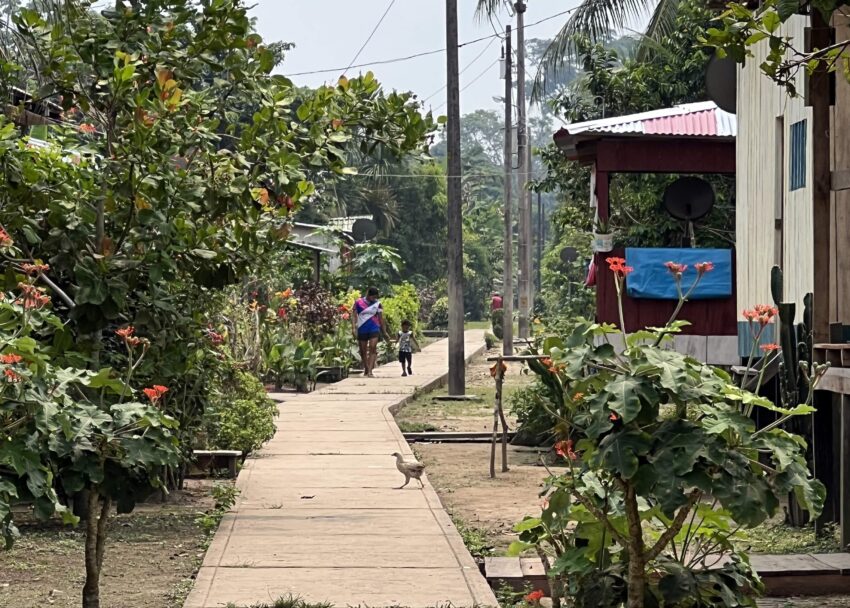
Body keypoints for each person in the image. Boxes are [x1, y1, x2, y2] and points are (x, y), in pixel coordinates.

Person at [352, 287, 390, 377]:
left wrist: (384, 332)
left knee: (373, 348)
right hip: (362, 328)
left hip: (374, 328)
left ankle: (370, 371)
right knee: (363, 350)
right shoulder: (358, 302)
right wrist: (353, 328)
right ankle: (366, 367)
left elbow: (381, 318)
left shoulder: (378, 304)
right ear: (368, 295)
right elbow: (353, 316)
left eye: (375, 297)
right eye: (373, 297)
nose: (374, 299)